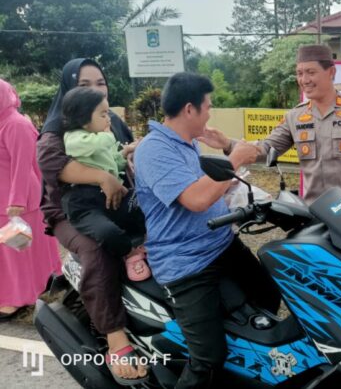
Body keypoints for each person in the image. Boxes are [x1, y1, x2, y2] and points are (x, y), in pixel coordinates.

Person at [134, 72, 281, 389]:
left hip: (220, 244)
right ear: (190, 109)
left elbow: (210, 184)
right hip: (185, 263)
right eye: (208, 106)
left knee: (268, 295)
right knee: (208, 357)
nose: (210, 112)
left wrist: (229, 149)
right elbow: (197, 198)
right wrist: (235, 158)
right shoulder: (154, 150)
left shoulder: (187, 144)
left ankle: (241, 369)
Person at [37, 58, 148, 384]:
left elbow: (121, 153)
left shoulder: (109, 118)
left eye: (100, 83)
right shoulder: (58, 129)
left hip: (115, 203)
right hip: (73, 212)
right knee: (97, 249)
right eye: (84, 85)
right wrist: (102, 177)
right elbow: (54, 167)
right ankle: (116, 341)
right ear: (68, 88)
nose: (96, 90)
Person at [212, 44, 341, 219]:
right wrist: (228, 144)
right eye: (299, 73)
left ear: (331, 72)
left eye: (311, 72)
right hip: (315, 214)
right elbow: (265, 149)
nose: (304, 80)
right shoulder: (295, 117)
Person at [60, 86, 149, 281]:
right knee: (107, 232)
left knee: (148, 201)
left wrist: (125, 154)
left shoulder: (97, 138)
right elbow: (94, 145)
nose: (108, 118)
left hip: (111, 198)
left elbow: (112, 162)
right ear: (83, 118)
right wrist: (109, 135)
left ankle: (153, 241)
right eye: (102, 114)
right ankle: (131, 253)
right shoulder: (74, 138)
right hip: (85, 204)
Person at [0, 79, 61, 321]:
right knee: (13, 251)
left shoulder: (15, 124)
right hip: (6, 199)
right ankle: (20, 291)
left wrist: (17, 201)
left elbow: (23, 164)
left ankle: (19, 298)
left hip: (18, 201)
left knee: (18, 250)